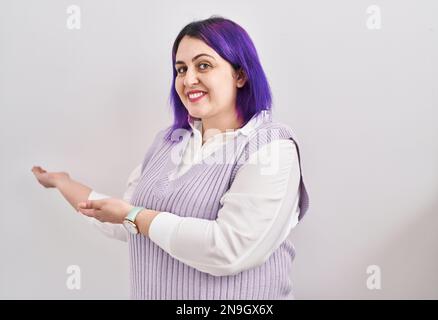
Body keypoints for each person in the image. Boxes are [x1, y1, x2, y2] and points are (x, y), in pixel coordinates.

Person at [31, 16, 310, 300]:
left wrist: (135, 217)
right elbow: (123, 220)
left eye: (203, 65)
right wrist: (61, 182)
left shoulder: (271, 147)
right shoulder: (168, 141)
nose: (188, 79)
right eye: (180, 69)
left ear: (240, 75)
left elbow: (230, 250)